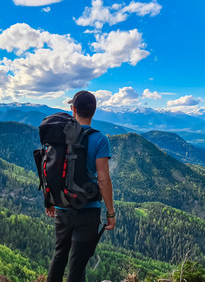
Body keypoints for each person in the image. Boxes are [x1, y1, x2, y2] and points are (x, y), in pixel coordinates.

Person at [46, 90, 116, 282]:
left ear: (73, 109)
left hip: (63, 208)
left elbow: (50, 168)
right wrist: (110, 212)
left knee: (59, 256)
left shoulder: (60, 136)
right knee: (77, 265)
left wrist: (49, 199)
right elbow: (103, 178)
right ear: (94, 111)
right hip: (88, 211)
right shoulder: (100, 139)